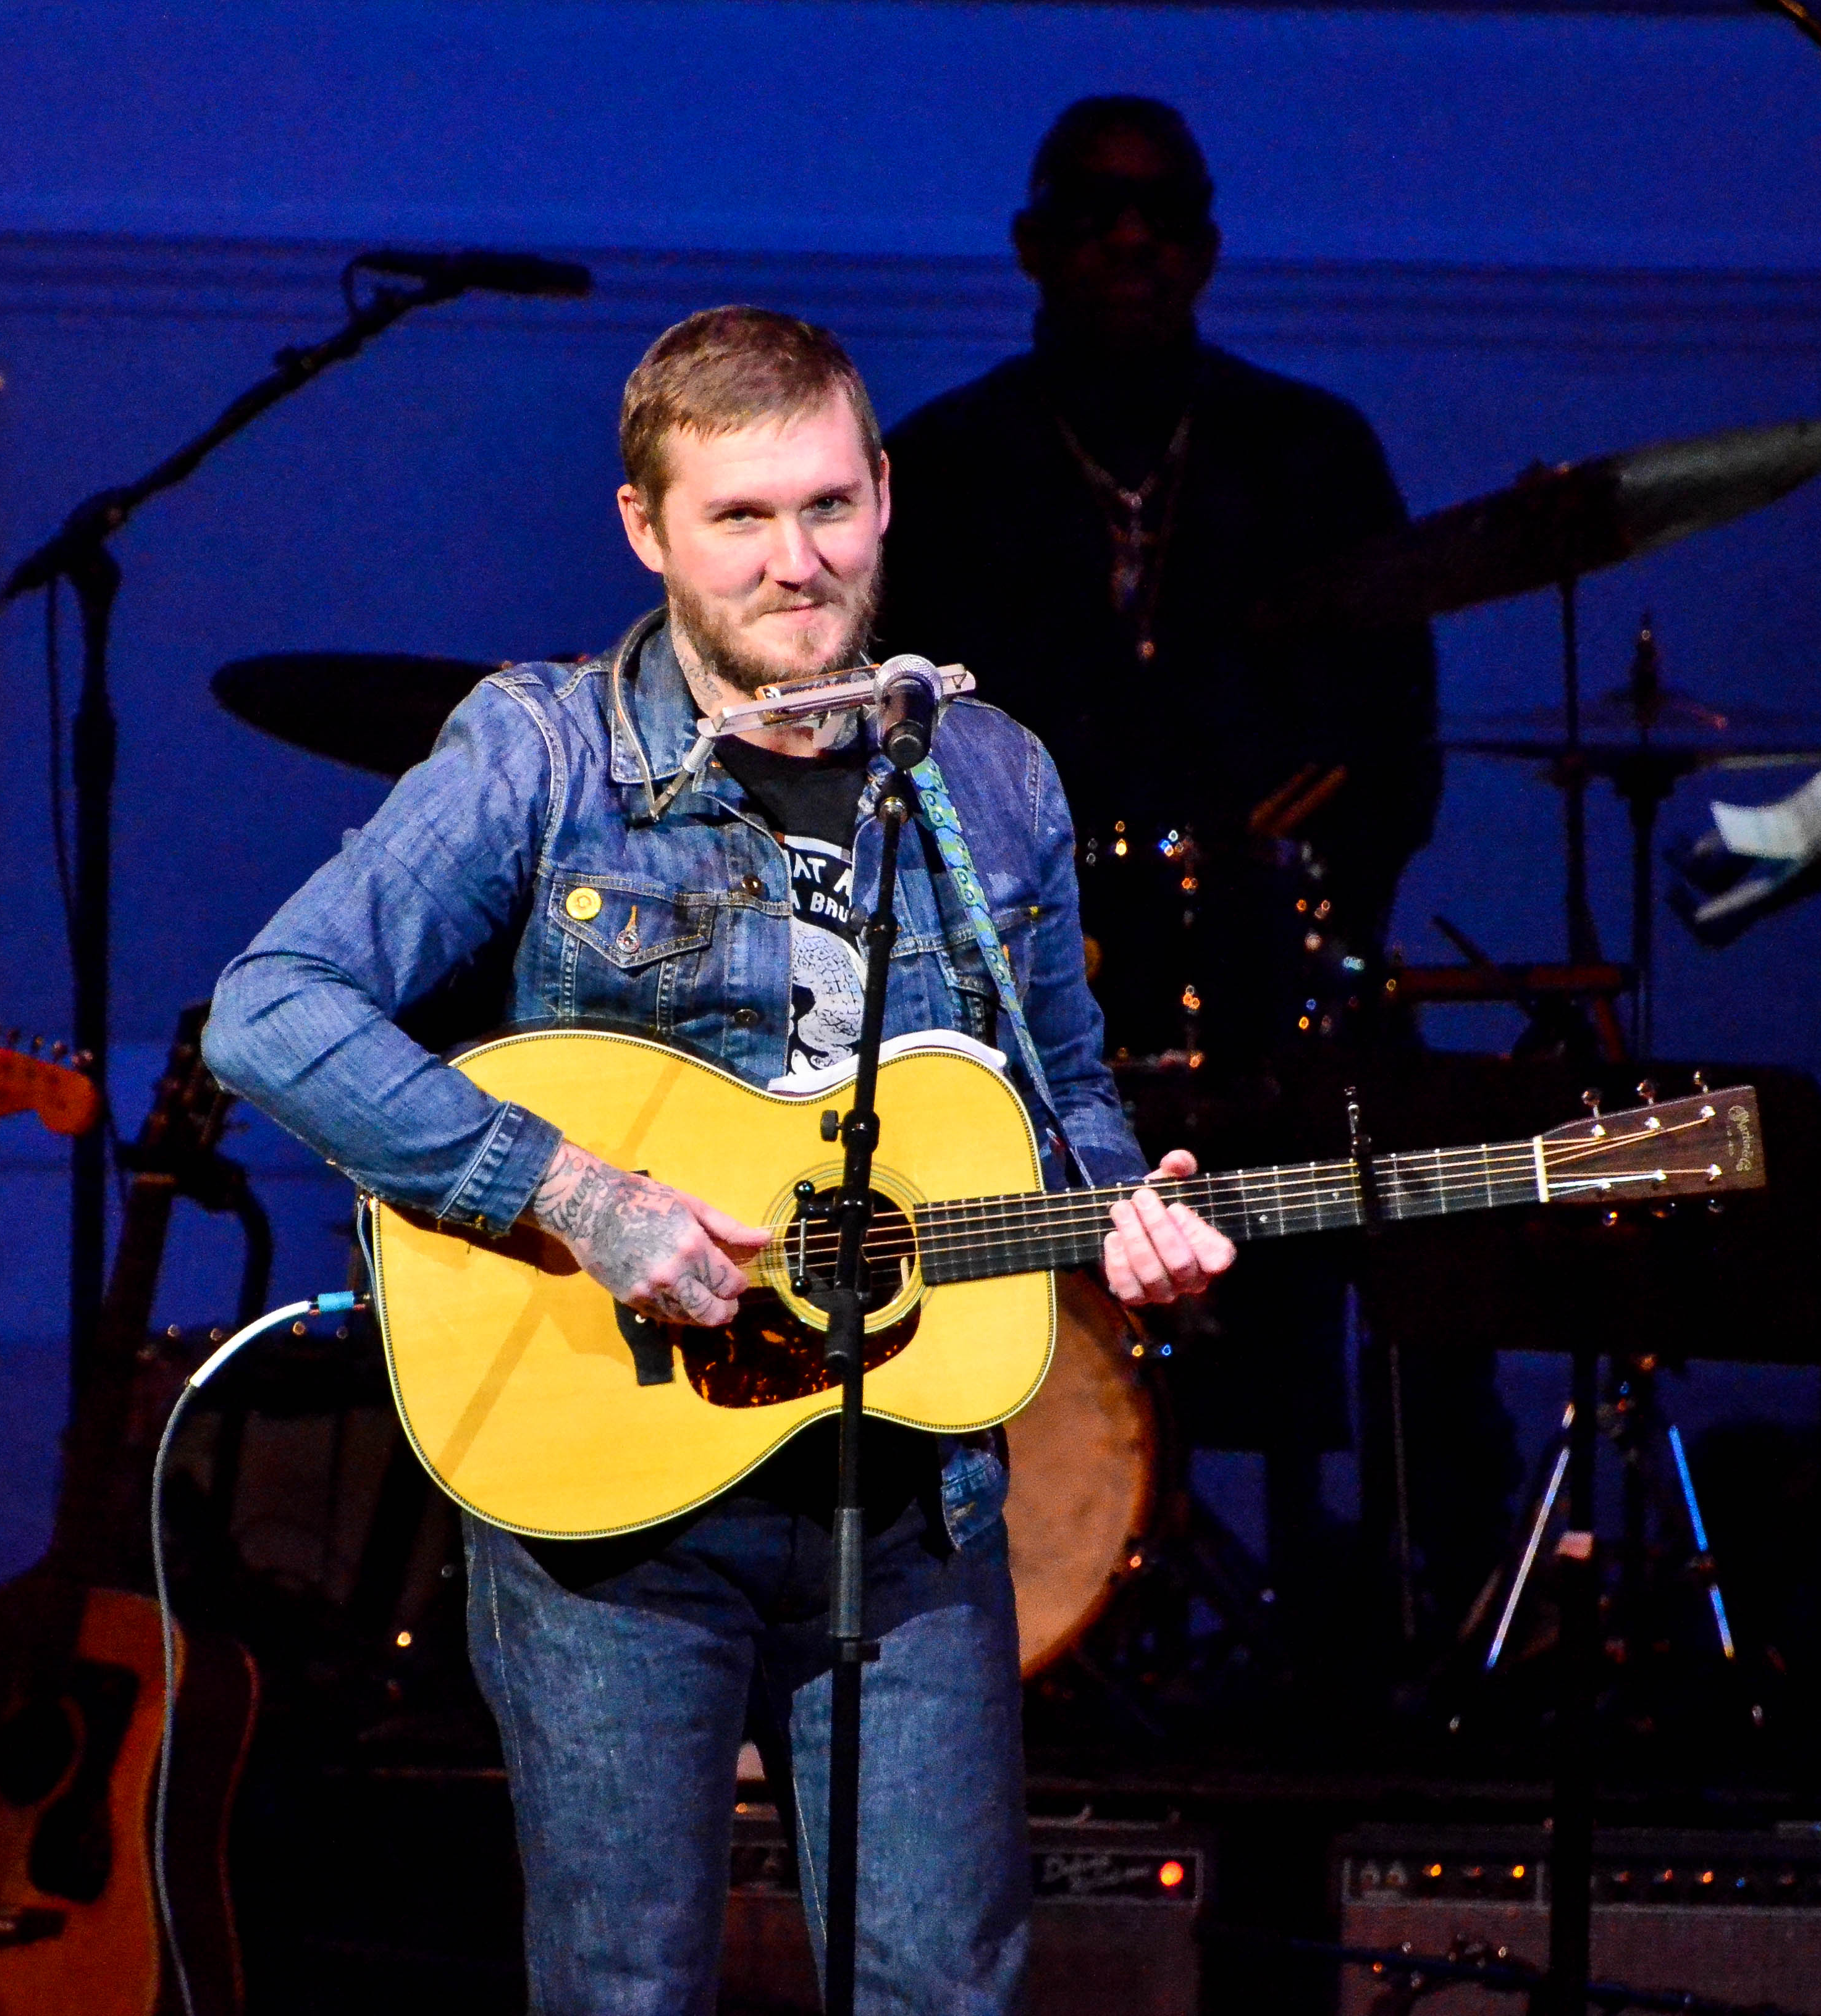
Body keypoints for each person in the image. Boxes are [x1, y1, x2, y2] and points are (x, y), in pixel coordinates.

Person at [208, 306, 1232, 2013]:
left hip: (910, 1497)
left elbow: (1065, 1091)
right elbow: (269, 1009)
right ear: (647, 529)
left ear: (887, 495)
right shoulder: (543, 752)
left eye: (828, 507)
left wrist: (1131, 1210)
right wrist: (574, 1198)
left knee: (943, 1990)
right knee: (627, 1993)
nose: (795, 562)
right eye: (741, 519)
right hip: (612, 1510)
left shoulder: (991, 772)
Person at [880, 95, 1457, 1656]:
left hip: (1261, 966)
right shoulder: (941, 465)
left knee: (1416, 1154)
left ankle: (1379, 1614)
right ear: (1032, 245)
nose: (1129, 242)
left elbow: (1396, 745)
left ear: (1205, 247)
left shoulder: (1306, 453)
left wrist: (1313, 903)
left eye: (1161, 216)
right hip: (1015, 978)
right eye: (1093, 213)